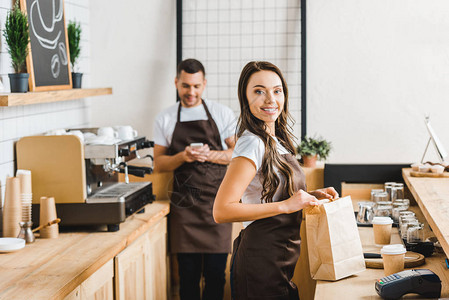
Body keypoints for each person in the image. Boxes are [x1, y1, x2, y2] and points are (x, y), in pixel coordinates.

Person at [213, 61, 338, 300]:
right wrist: (286, 206)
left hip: (278, 259)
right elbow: (221, 211)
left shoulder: (275, 139)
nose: (270, 99)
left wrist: (312, 195)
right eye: (259, 91)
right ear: (245, 97)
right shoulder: (252, 142)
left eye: (276, 90)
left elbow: (273, 191)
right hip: (260, 260)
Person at [153, 58, 236, 300]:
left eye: (196, 86)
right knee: (187, 278)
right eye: (186, 86)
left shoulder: (222, 113)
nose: (191, 92)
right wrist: (182, 156)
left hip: (216, 206)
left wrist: (211, 155)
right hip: (185, 208)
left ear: (204, 84)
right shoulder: (165, 118)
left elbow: (237, 155)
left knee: (215, 276)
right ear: (176, 83)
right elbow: (158, 164)